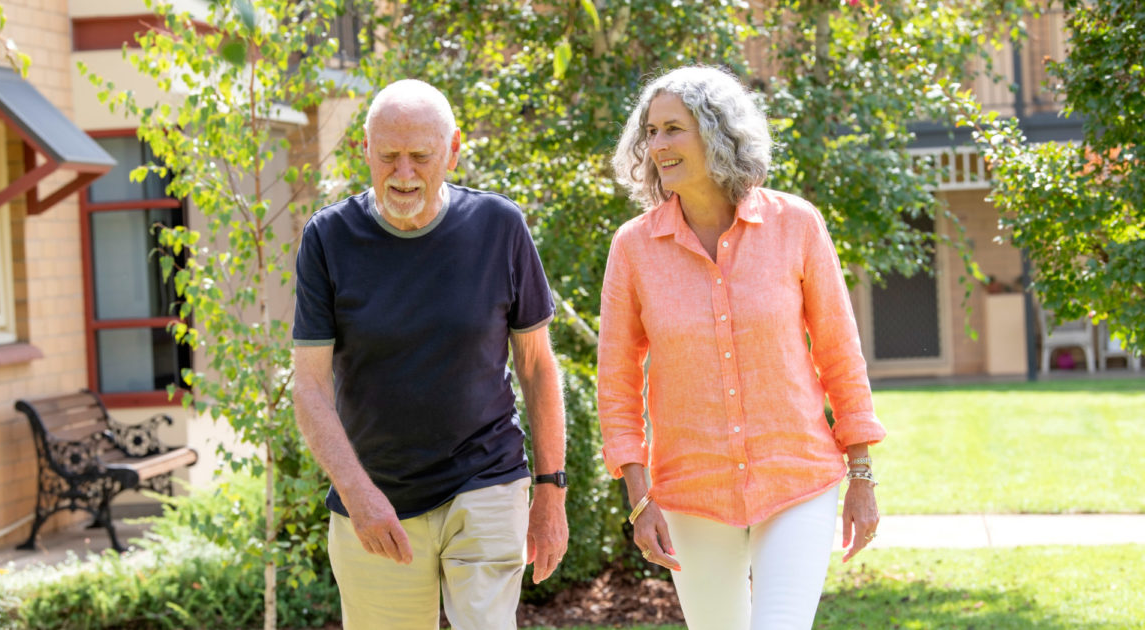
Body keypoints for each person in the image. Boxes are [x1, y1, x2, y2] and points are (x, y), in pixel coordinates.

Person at [598, 65, 887, 629]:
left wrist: (862, 477)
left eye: (672, 129)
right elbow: (617, 384)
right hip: (689, 490)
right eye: (651, 131)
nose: (657, 144)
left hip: (797, 476)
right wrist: (639, 497)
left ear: (716, 131)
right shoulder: (633, 249)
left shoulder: (795, 225)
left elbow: (840, 354)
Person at [291, 79, 569, 630]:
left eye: (421, 156)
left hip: (487, 476)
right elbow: (310, 386)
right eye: (388, 156)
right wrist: (357, 493)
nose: (403, 173)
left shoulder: (499, 227)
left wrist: (551, 490)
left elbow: (537, 367)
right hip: (377, 496)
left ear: (453, 149)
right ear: (364, 151)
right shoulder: (328, 239)